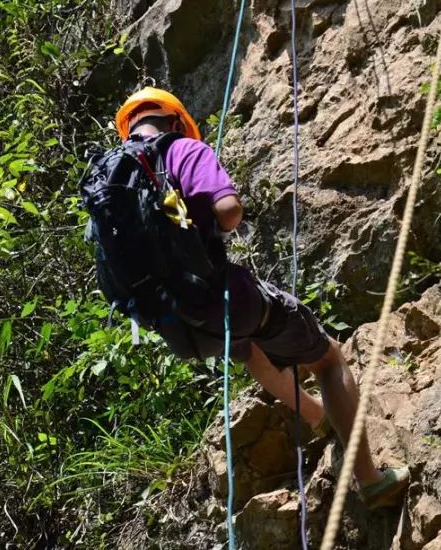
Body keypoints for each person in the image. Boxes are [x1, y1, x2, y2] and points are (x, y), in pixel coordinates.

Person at [112, 87, 410, 509]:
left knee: (252, 351)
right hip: (223, 300)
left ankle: (316, 416)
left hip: (177, 327)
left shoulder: (114, 179)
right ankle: (370, 480)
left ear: (130, 128)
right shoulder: (180, 149)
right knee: (327, 359)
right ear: (176, 121)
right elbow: (229, 210)